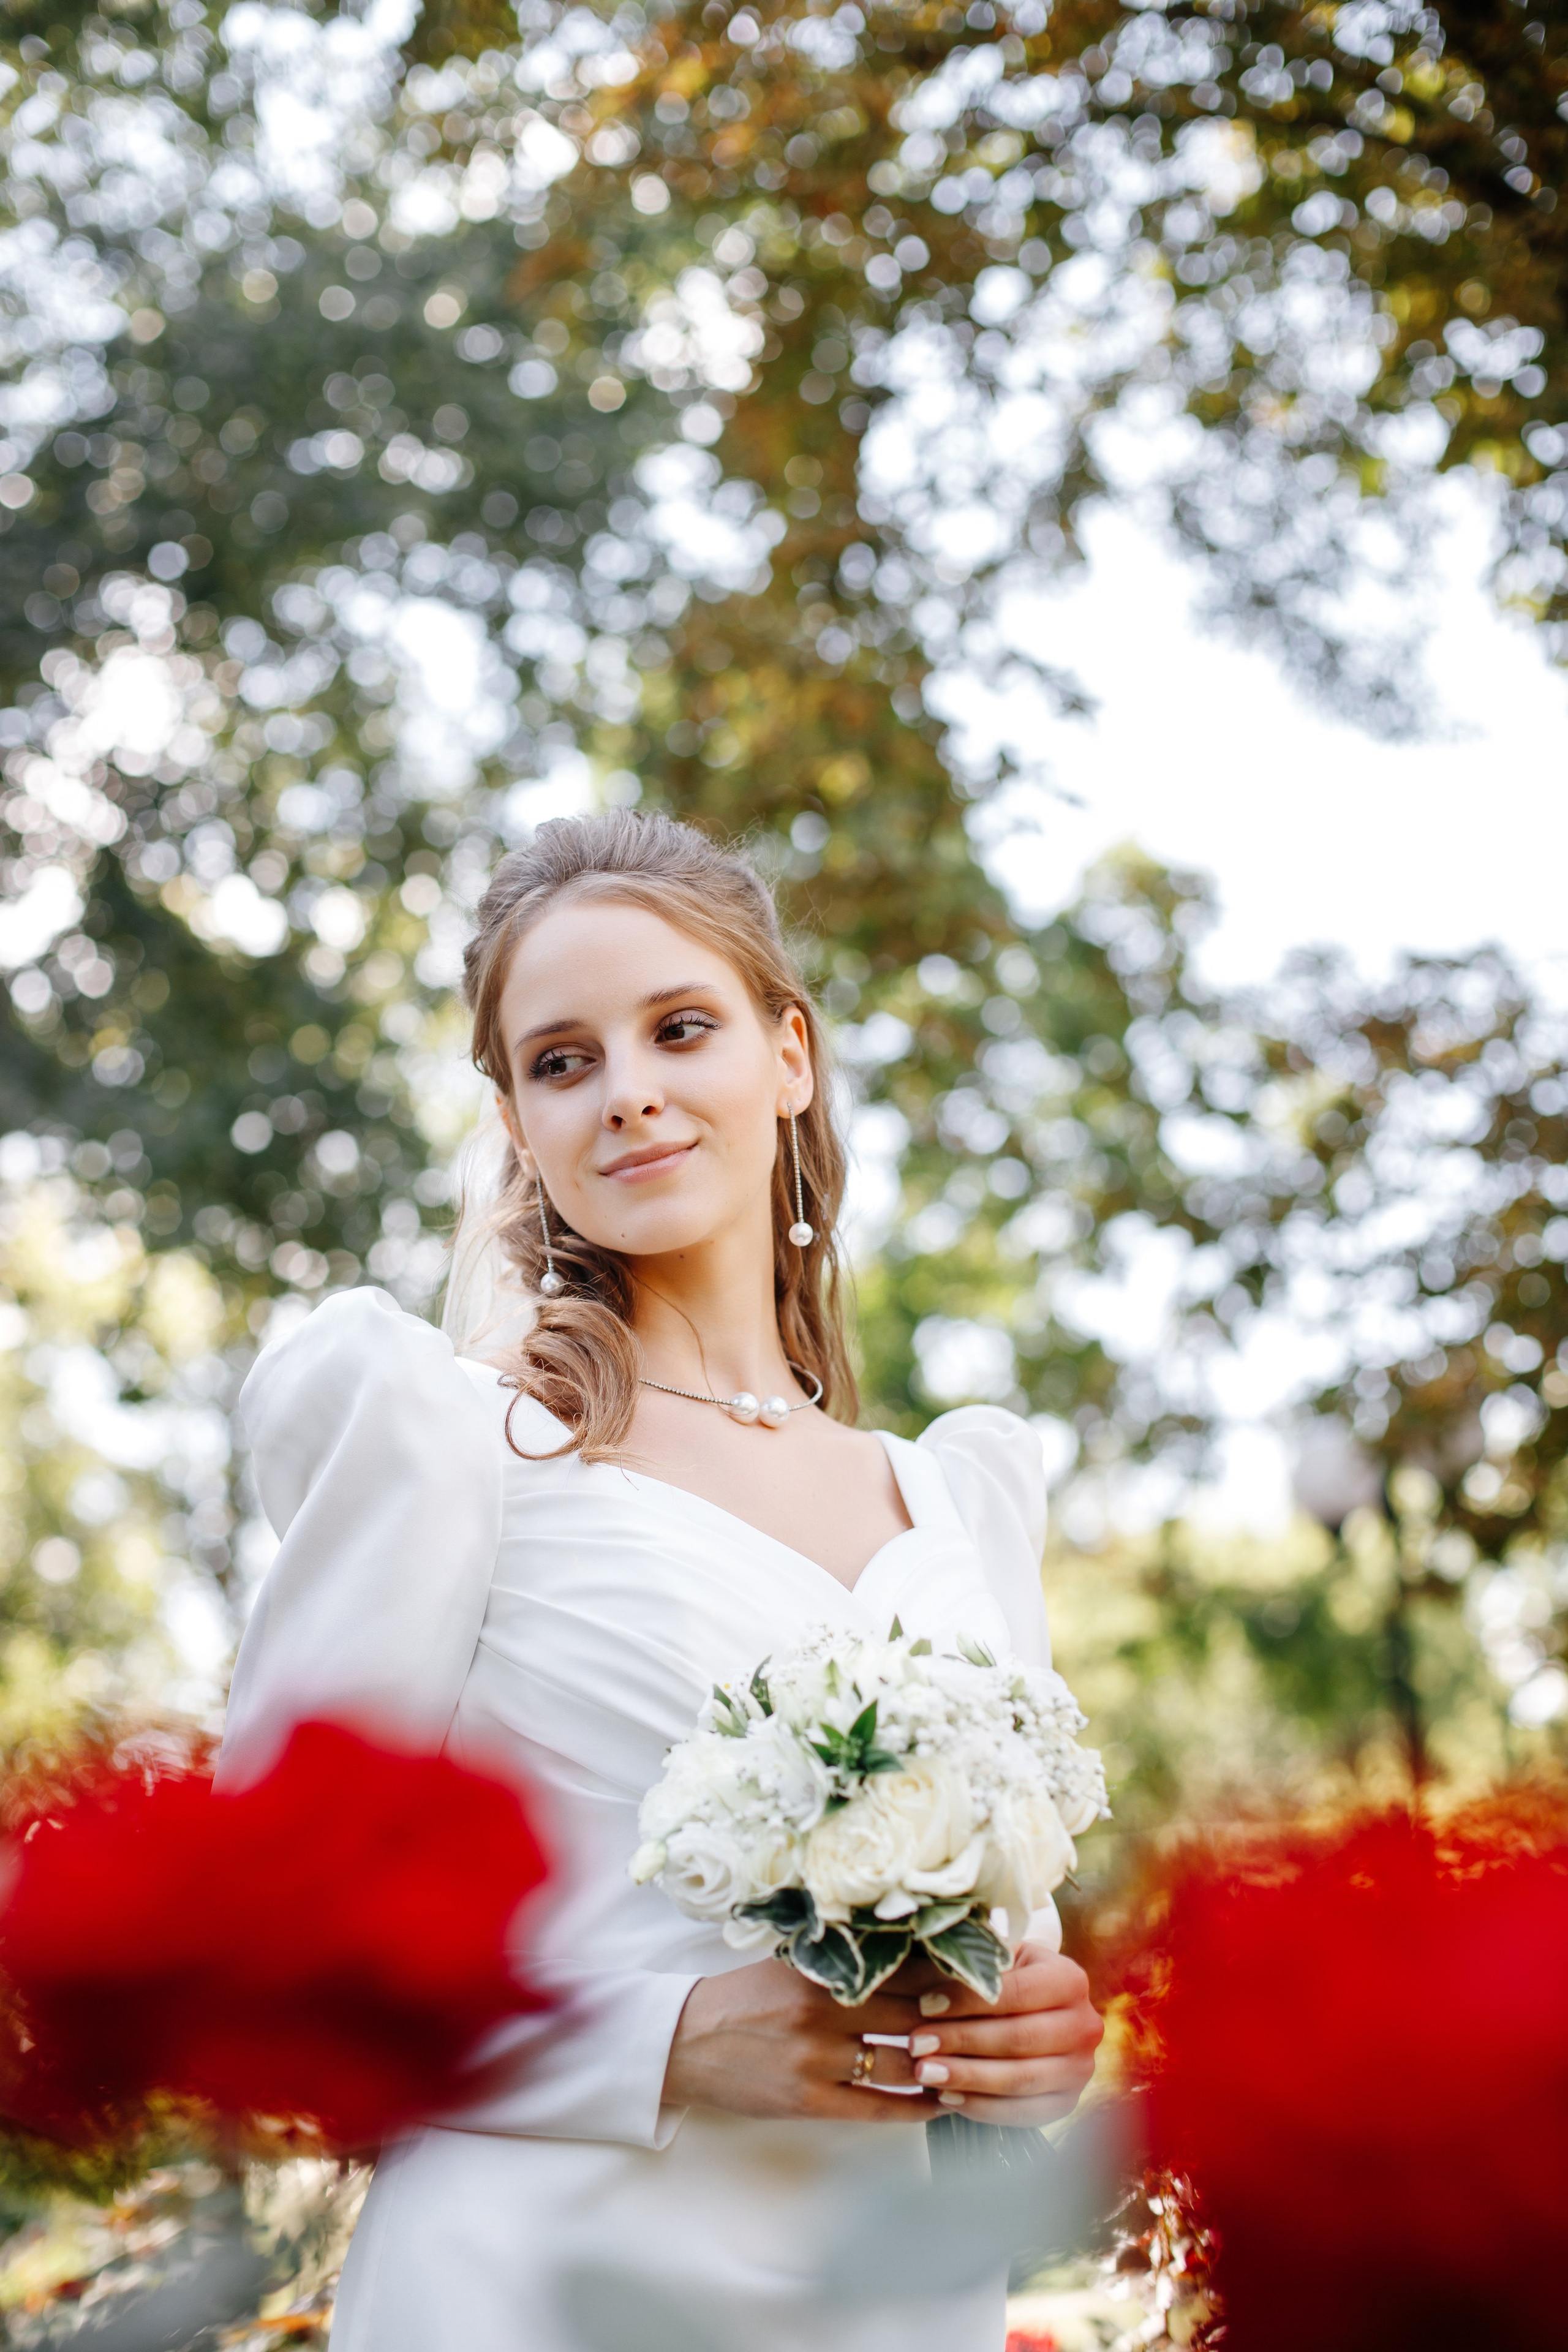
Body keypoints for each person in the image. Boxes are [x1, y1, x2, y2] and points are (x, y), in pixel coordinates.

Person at [220, 809, 1103, 2352]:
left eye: (678, 1028)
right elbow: (267, 1976)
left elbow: (1002, 1948)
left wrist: (1033, 2037)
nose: (626, 1093)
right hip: (534, 2288)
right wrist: (660, 2044)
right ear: (518, 1123)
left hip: (889, 2296)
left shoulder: (959, 1500)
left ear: (789, 1056)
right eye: (561, 1061)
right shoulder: (459, 1445)